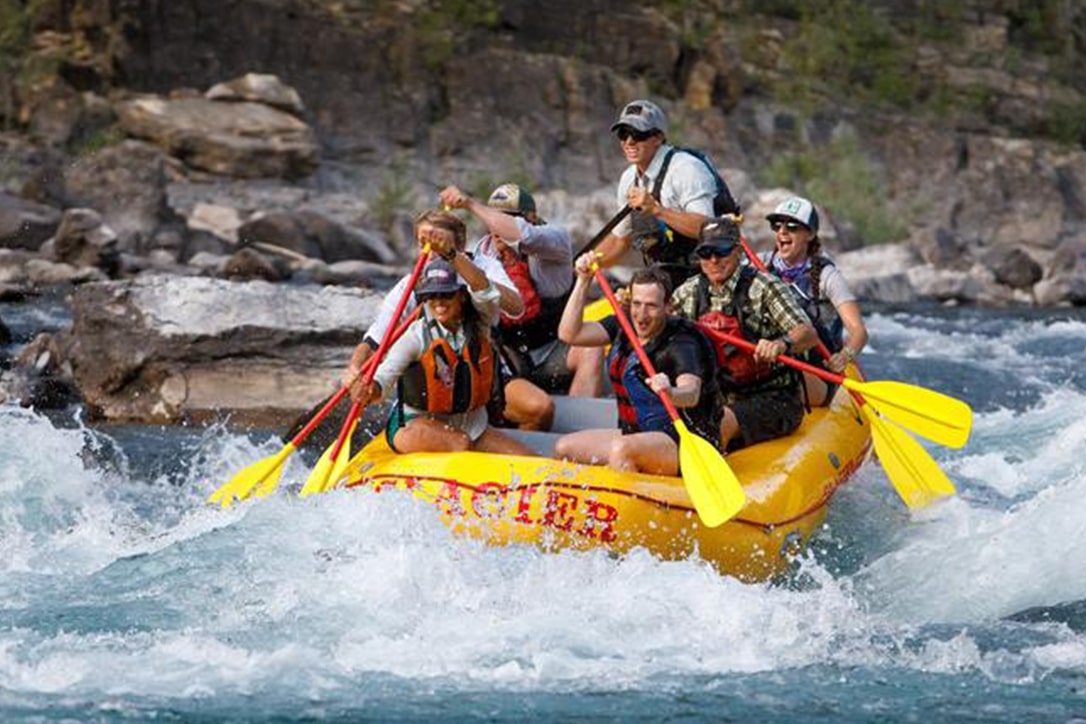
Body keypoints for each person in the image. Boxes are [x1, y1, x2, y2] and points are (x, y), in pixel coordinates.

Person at [439, 183, 605, 430]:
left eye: (507, 218)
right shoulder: (481, 255)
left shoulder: (554, 240)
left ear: (531, 218)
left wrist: (470, 204)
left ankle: (580, 431)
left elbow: (522, 235)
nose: (496, 226)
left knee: (592, 348)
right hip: (512, 354)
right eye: (493, 218)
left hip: (555, 350)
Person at [353, 256, 535, 456]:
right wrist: (369, 390)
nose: (438, 302)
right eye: (432, 295)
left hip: (473, 428)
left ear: (461, 296)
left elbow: (485, 291)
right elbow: (384, 377)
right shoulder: (415, 337)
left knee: (529, 458)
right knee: (460, 443)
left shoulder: (481, 324)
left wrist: (452, 253)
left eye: (446, 294)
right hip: (414, 424)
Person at [671, 216, 819, 453]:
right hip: (715, 396)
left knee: (718, 422)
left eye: (721, 250)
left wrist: (782, 344)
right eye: (706, 252)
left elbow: (808, 334)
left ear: (738, 251)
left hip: (772, 398)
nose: (713, 259)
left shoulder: (765, 286)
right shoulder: (687, 292)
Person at [553, 266, 719, 476]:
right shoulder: (624, 324)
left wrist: (671, 393)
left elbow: (691, 393)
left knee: (622, 450)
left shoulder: (682, 343)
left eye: (651, 306)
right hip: (635, 434)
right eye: (637, 304)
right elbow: (569, 333)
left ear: (668, 307)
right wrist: (584, 280)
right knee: (564, 448)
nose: (641, 315)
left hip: (679, 443)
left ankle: (625, 503)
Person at [344, 209, 522, 388]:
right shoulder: (414, 283)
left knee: (539, 409)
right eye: (424, 243)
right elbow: (377, 338)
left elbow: (516, 307)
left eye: (438, 242)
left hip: (483, 368)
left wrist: (460, 264)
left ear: (460, 244)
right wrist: (356, 367)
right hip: (435, 377)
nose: (432, 250)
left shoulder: (484, 266)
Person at [577, 99, 739, 289]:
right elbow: (620, 241)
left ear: (658, 138)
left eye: (638, 134)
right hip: (664, 281)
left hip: (709, 276)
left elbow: (707, 229)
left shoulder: (686, 168)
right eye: (623, 134)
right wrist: (588, 262)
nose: (629, 141)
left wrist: (656, 210)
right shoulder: (629, 178)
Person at [760, 196, 869, 406]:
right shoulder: (761, 263)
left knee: (783, 380)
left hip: (819, 369)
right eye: (777, 225)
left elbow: (858, 331)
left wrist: (845, 356)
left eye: (792, 226)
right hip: (774, 357)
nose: (782, 231)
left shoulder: (828, 276)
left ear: (809, 234)